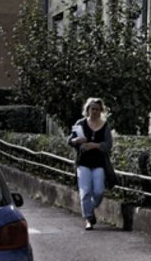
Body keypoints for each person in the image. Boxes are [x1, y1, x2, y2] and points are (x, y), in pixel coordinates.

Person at [67, 97, 113, 230]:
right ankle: (88, 218)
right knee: (85, 191)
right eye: (92, 109)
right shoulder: (80, 123)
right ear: (87, 110)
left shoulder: (105, 125)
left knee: (99, 191)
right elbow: (69, 140)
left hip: (99, 163)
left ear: (101, 111)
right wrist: (76, 140)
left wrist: (95, 145)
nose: (95, 112)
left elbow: (108, 144)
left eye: (97, 109)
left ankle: (90, 209)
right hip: (83, 162)